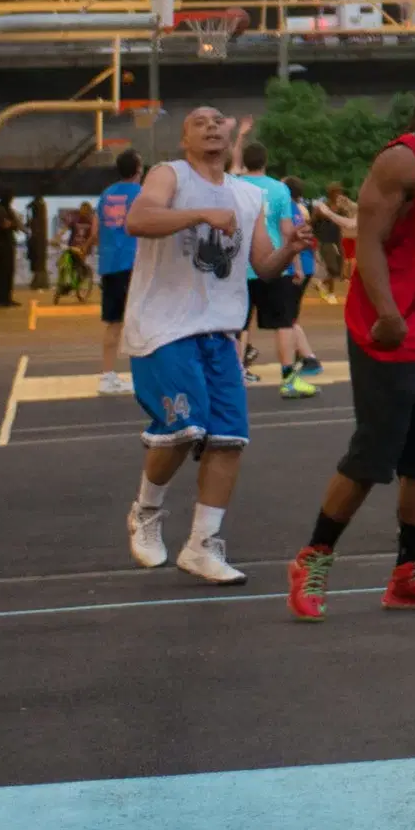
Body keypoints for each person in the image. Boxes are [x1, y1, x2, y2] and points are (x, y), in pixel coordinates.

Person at [286, 64, 415, 616]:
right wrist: (386, 311)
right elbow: (371, 242)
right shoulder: (401, 159)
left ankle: (410, 573)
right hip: (390, 332)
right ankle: (313, 557)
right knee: (373, 455)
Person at [121, 107, 300, 585]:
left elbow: (262, 267)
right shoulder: (169, 175)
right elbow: (138, 219)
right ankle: (146, 510)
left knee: (228, 440)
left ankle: (201, 544)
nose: (212, 126)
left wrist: (291, 248)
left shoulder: (247, 195)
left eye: (219, 121)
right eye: (199, 121)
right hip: (164, 326)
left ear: (231, 136)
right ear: (184, 138)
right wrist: (199, 213)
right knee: (183, 427)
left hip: (220, 331)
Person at [236, 137, 323, 398]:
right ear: (265, 162)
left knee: (238, 326)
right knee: (283, 323)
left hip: (241, 266)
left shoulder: (234, 186)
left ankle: (235, 377)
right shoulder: (278, 189)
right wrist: (295, 264)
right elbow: (288, 232)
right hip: (273, 263)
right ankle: (288, 379)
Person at [93, 148, 141, 395]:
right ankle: (141, 376)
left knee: (113, 323)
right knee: (138, 322)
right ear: (138, 169)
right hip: (132, 264)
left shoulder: (106, 194)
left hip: (109, 265)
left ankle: (108, 376)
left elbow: (95, 230)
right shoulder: (140, 194)